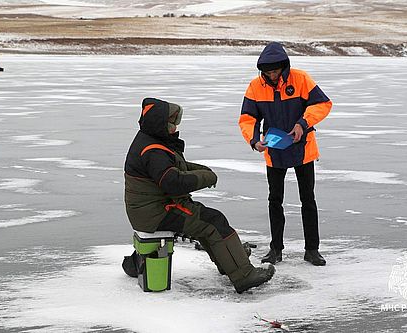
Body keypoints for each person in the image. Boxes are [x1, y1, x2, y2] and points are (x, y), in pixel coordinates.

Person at [124, 97, 275, 293]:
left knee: (205, 221)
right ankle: (243, 275)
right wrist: (206, 178)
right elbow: (173, 182)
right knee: (213, 222)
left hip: (149, 210)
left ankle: (229, 260)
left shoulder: (150, 140)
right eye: (172, 123)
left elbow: (176, 166)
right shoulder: (152, 150)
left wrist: (202, 171)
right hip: (157, 213)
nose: (175, 128)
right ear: (160, 124)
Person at [238, 42, 332, 266]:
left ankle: (312, 250)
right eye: (267, 71)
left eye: (275, 70)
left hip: (303, 148)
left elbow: (322, 103)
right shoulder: (255, 86)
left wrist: (303, 123)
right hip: (275, 150)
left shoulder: (300, 79)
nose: (271, 75)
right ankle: (276, 250)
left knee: (308, 199)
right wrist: (253, 140)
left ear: (284, 66)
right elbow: (248, 118)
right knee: (275, 200)